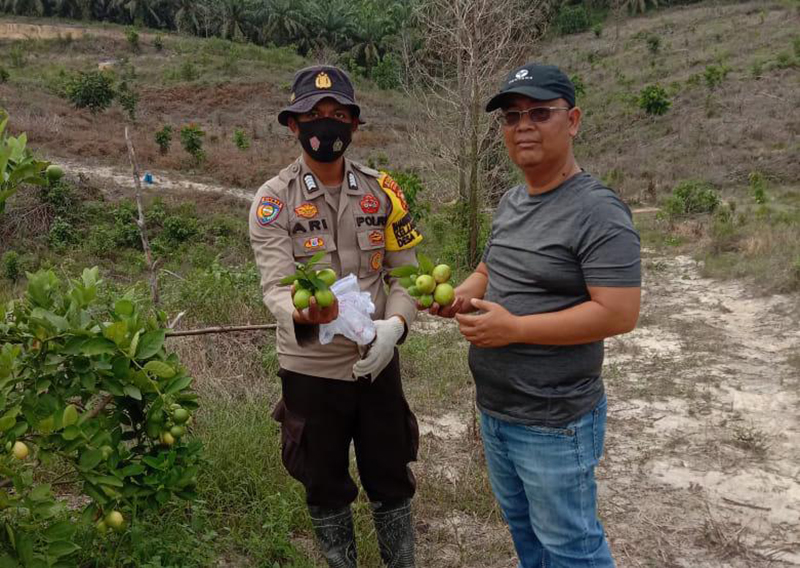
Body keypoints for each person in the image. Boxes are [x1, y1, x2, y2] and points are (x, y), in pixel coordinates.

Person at [427, 63, 641, 567]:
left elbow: (619, 313)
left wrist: (515, 329)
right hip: (498, 410)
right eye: (511, 116)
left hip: (554, 418)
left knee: (571, 548)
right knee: (527, 537)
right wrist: (459, 296)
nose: (522, 125)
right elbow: (488, 268)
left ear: (573, 121)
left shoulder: (598, 211)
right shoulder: (511, 201)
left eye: (540, 112)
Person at [249, 65, 423, 568]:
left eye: (338, 114)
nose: (327, 123)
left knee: (391, 476)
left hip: (378, 358)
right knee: (324, 483)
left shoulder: (383, 191)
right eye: (314, 114)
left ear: (353, 122)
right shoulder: (272, 200)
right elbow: (278, 289)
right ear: (293, 124)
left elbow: (405, 275)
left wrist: (397, 327)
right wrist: (312, 310)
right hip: (311, 369)